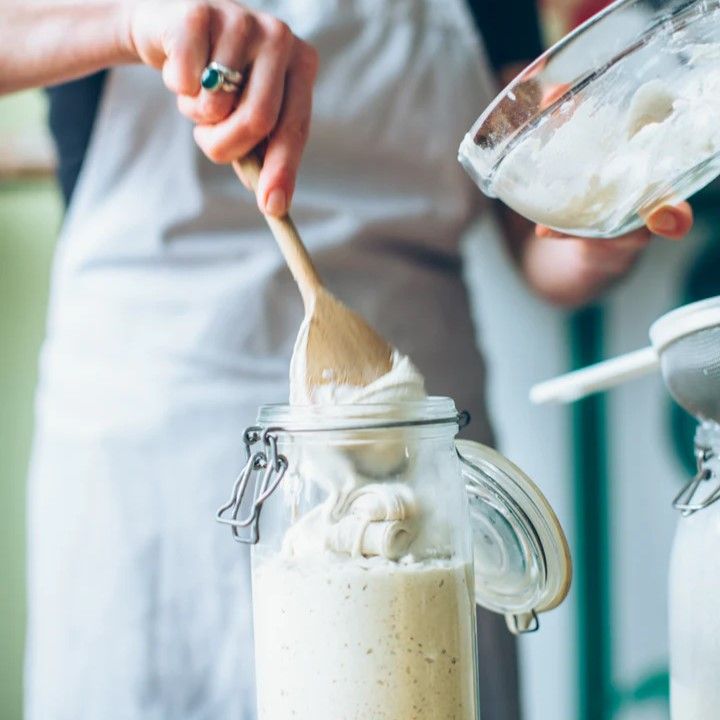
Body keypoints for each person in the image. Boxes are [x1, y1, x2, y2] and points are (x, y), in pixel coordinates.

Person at [1, 1, 693, 719]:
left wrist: (591, 217)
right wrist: (128, 24)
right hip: (157, 457)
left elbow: (535, 238)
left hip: (417, 458)